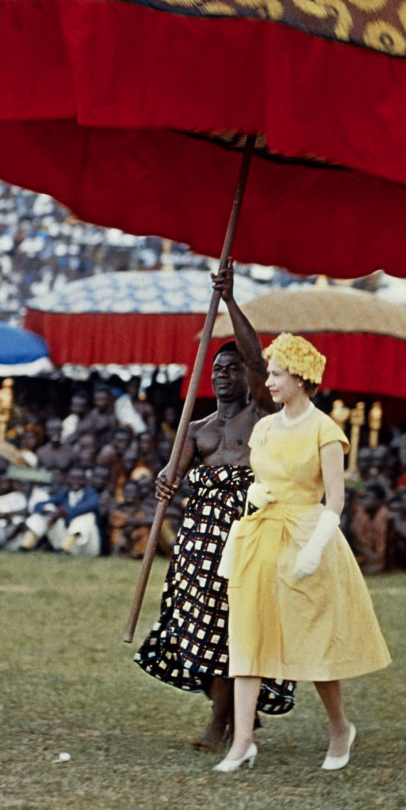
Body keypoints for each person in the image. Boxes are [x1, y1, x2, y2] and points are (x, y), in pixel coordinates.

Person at [135, 264, 295, 752]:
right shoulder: (196, 427)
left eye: (233, 370)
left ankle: (221, 723)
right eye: (217, 370)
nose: (225, 376)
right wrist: (165, 482)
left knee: (233, 629)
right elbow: (171, 476)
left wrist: (227, 301)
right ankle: (232, 709)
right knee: (196, 627)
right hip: (197, 541)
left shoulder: (261, 414)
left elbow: (253, 354)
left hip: (245, 535)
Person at [213, 332, 391, 773]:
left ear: (299, 377)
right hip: (261, 534)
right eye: (269, 374)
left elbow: (335, 499)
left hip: (307, 536)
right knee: (248, 633)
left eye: (276, 374)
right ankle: (241, 742)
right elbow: (260, 475)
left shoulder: (324, 430)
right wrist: (255, 491)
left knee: (313, 638)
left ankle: (339, 728)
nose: (268, 381)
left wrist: (314, 549)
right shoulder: (265, 427)